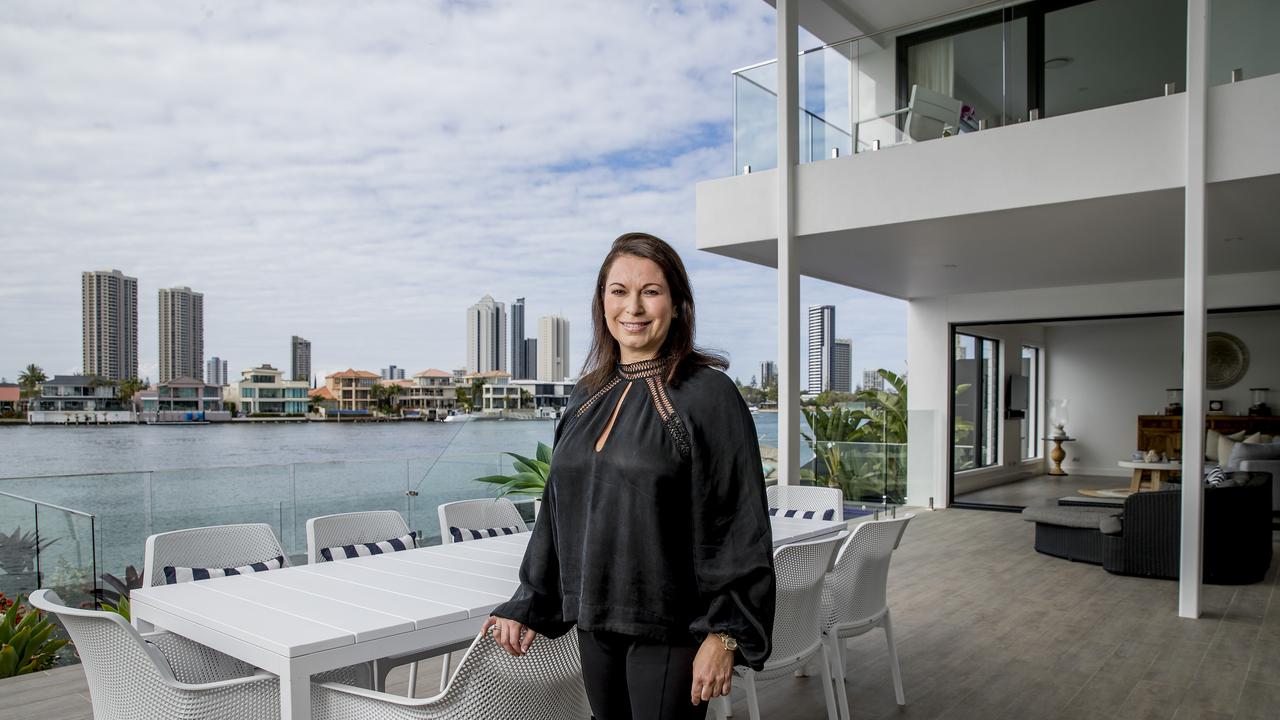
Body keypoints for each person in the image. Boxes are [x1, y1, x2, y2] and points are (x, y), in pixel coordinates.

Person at [484, 232, 775, 720]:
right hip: (595, 618)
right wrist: (530, 599)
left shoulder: (708, 395)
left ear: (678, 304)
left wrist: (725, 633)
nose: (633, 307)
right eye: (618, 291)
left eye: (651, 291)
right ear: (602, 304)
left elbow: (739, 522)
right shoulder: (584, 395)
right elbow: (559, 512)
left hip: (672, 626)